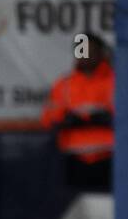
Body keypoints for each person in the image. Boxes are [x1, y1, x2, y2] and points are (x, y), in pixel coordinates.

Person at [41, 33, 114, 189]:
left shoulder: (117, 80)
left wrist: (108, 119)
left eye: (90, 50)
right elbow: (48, 119)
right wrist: (65, 121)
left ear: (101, 53)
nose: (85, 55)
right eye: (81, 50)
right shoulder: (64, 84)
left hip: (111, 158)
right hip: (74, 160)